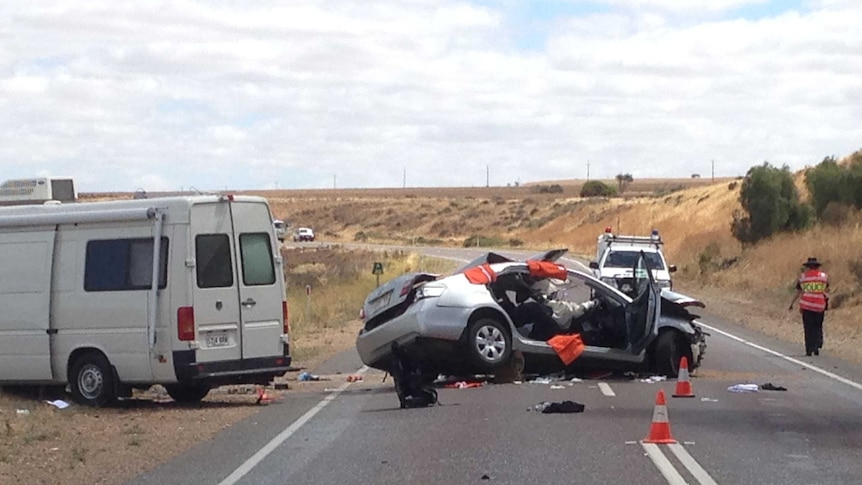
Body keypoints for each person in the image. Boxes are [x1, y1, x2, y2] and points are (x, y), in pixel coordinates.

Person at [788, 257, 830, 356]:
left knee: (808, 327)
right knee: (818, 326)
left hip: (807, 306)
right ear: (817, 267)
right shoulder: (823, 277)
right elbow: (827, 290)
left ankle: (809, 348)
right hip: (820, 306)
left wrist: (791, 303)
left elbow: (798, 292)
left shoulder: (803, 278)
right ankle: (817, 345)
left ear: (808, 267)